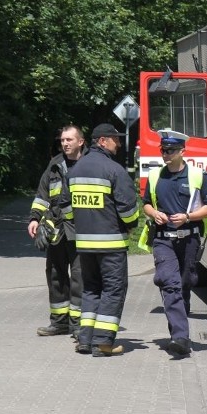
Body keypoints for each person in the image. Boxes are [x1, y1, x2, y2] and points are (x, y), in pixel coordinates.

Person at [65, 123, 140, 357]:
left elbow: (66, 210)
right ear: (102, 141)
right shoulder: (114, 170)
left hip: (84, 244)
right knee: (113, 290)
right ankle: (104, 343)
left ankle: (85, 340)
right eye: (115, 140)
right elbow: (128, 211)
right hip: (111, 244)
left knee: (91, 290)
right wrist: (130, 226)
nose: (118, 144)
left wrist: (84, 223)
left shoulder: (75, 171)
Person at [140, 130, 207, 356]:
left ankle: (180, 325)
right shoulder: (155, 177)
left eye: (170, 150)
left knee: (184, 284)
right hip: (163, 239)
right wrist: (154, 213)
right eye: (163, 150)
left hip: (189, 238)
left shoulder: (197, 176)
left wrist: (188, 217)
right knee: (169, 283)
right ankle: (180, 337)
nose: (165, 154)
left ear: (183, 151)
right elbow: (145, 204)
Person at [28, 125, 88, 337]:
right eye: (63, 140)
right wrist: (35, 218)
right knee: (55, 273)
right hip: (56, 229)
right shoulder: (55, 164)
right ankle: (59, 321)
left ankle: (79, 324)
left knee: (81, 276)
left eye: (69, 140)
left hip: (81, 230)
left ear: (80, 141)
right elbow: (42, 194)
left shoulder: (89, 164)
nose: (65, 144)